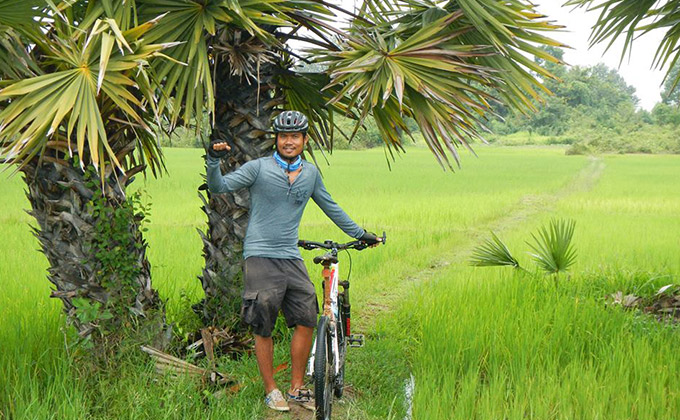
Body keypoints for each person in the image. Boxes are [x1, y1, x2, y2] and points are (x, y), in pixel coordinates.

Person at [206, 110, 381, 412]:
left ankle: (297, 388)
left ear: (304, 140)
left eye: (295, 136)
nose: (289, 141)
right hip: (260, 255)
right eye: (284, 136)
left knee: (306, 318)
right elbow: (219, 186)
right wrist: (212, 160)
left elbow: (331, 206)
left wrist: (361, 233)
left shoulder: (310, 174)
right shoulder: (258, 169)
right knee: (264, 324)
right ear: (276, 139)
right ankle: (271, 389)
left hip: (290, 256)